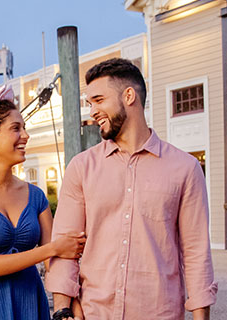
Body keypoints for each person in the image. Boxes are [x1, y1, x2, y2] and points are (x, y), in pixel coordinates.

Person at [46, 58, 217, 320]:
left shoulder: (186, 168)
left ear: (129, 96)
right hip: (94, 314)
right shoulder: (81, 167)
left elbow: (196, 253)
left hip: (159, 313)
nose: (92, 111)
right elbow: (65, 246)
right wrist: (62, 309)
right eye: (89, 103)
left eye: (99, 100)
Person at [0, 83, 86, 320]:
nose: (25, 135)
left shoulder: (36, 195)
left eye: (24, 128)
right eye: (16, 128)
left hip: (29, 303)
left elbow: (55, 262)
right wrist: (51, 249)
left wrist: (71, 304)